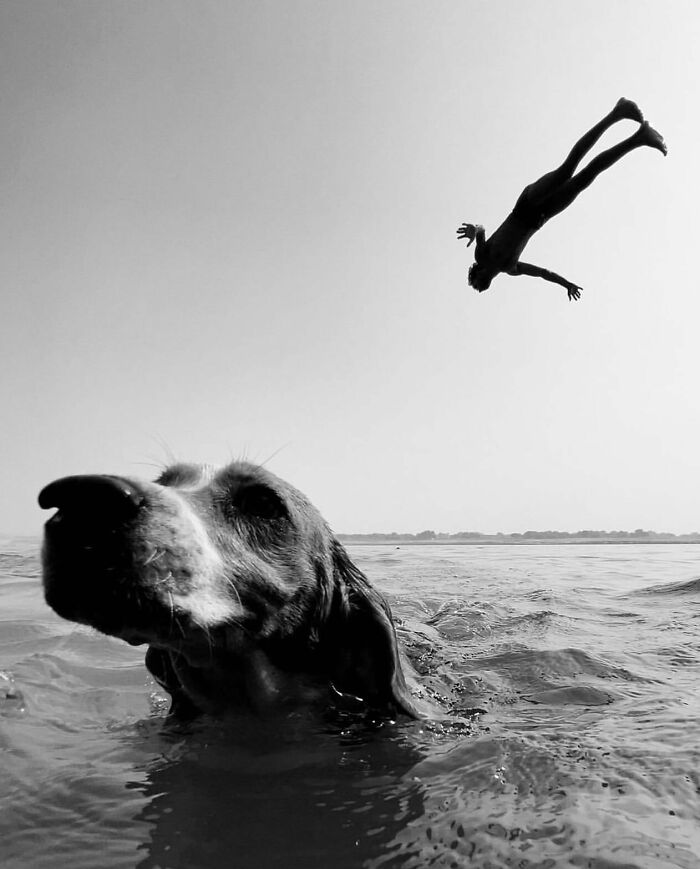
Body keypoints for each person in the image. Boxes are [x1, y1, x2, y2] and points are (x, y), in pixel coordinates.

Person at [457, 98, 666, 301]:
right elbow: (542, 273)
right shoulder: (511, 268)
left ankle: (616, 113)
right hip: (541, 217)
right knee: (584, 179)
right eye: (480, 287)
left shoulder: (481, 256)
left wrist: (473, 230)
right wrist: (566, 284)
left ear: (477, 272)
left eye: (476, 283)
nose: (480, 287)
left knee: (566, 171)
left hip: (526, 204)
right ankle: (640, 138)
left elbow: (481, 229)